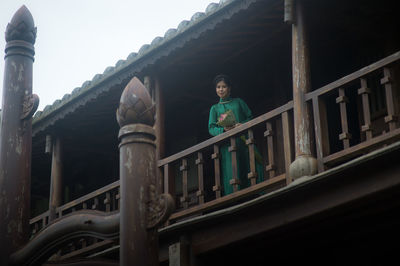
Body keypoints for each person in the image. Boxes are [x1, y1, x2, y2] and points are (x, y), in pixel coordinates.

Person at [208, 74, 263, 195]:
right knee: (232, 171)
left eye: (224, 86)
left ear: (229, 88)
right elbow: (211, 128)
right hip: (228, 145)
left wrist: (242, 124)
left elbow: (250, 117)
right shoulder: (215, 108)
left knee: (249, 167)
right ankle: (236, 197)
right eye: (218, 87)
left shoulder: (239, 102)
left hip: (244, 141)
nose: (221, 89)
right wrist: (223, 130)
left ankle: (255, 192)